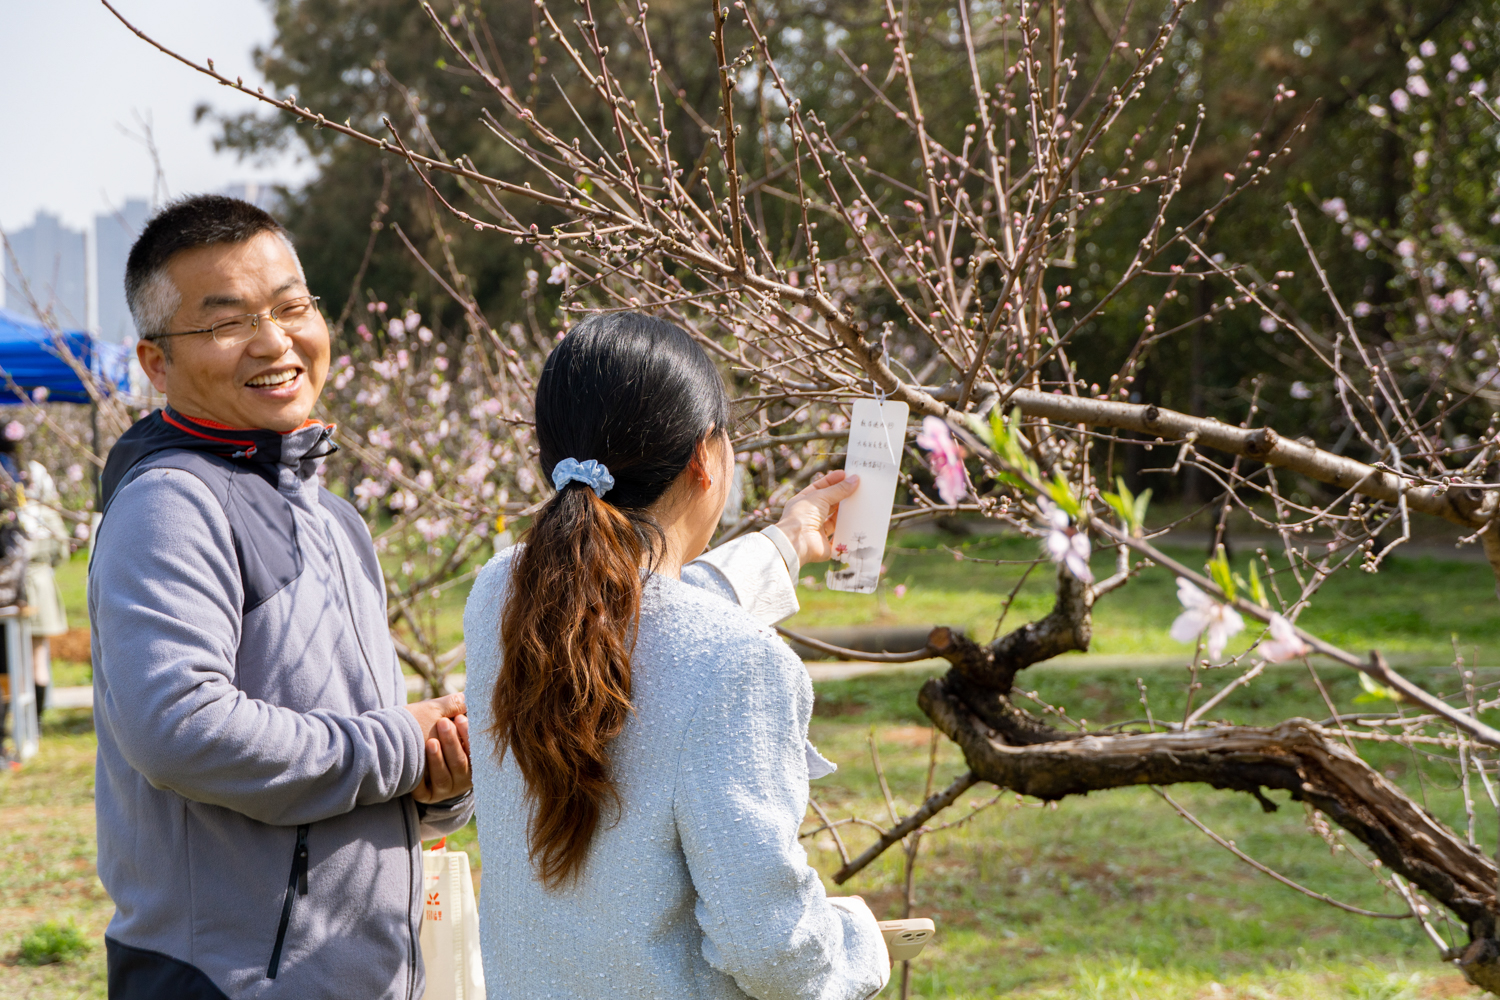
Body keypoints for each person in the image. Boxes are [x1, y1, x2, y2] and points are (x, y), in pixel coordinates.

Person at [91, 194, 849, 1000]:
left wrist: (434, 779)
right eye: (226, 322)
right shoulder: (173, 503)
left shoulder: (332, 517)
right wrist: (399, 748)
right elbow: (178, 728)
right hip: (231, 981)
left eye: (292, 306)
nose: (275, 341)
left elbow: (644, 615)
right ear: (155, 363)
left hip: (347, 973)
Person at [464, 313, 891, 999]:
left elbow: (638, 612)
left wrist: (785, 544)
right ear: (705, 456)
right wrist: (858, 945)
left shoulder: (501, 596)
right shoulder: (738, 665)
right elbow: (771, 953)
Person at [20, 461, 69, 716]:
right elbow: (62, 551)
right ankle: (36, 721)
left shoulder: (13, 513)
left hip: (13, 588)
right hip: (41, 585)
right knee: (37, 655)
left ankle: (20, 720)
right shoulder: (47, 514)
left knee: (14, 656)